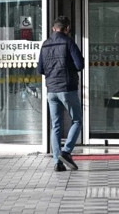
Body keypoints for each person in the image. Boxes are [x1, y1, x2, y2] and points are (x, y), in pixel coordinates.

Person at [37, 16, 84, 172]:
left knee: (56, 125)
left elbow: (40, 69)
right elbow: (79, 65)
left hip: (51, 90)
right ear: (67, 28)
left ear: (53, 28)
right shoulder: (69, 42)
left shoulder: (45, 44)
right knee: (77, 120)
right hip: (67, 88)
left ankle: (57, 162)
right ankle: (66, 152)